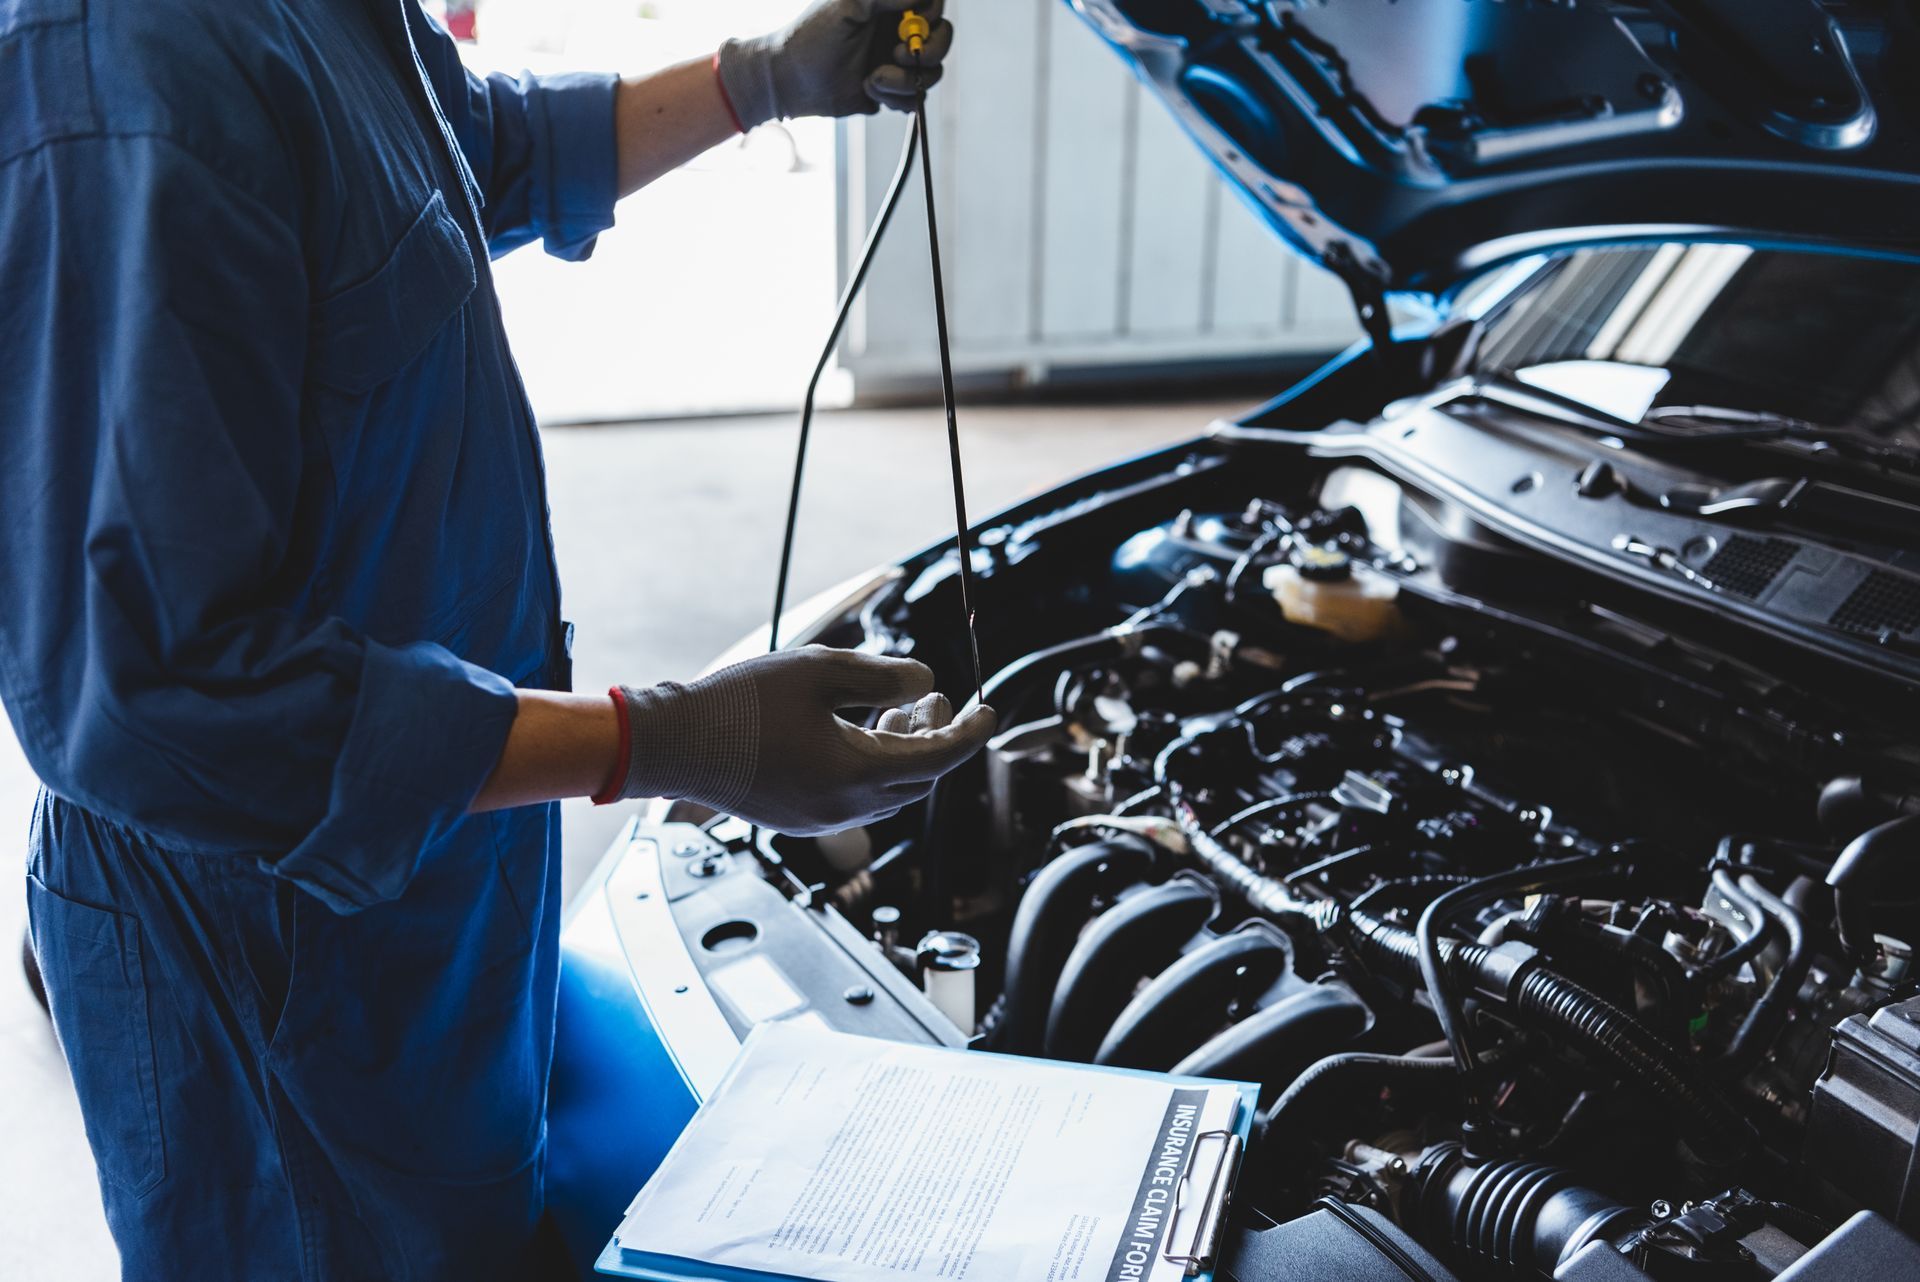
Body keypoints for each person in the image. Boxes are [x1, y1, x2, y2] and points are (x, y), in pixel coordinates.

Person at [0, 0, 977, 1277]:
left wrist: (761, 81)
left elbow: (473, 152)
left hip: (439, 870)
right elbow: (156, 697)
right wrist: (666, 740)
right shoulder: (124, 88)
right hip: (264, 943)